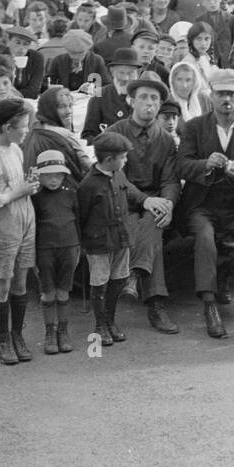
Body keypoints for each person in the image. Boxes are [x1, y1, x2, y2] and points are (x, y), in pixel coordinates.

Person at [175, 68, 234, 339]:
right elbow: (181, 165)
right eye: (220, 94)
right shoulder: (194, 127)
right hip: (204, 204)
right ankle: (210, 304)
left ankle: (225, 275)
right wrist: (205, 164)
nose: (226, 99)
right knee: (204, 240)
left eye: (231, 94)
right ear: (211, 96)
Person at [104, 80, 182, 334]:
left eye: (155, 100)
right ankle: (156, 304)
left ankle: (135, 274)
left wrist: (168, 203)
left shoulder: (166, 139)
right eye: (144, 97)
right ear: (131, 101)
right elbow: (114, 177)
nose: (149, 103)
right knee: (148, 223)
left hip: (154, 202)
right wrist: (145, 200)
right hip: (119, 200)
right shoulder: (114, 133)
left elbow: (171, 180)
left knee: (154, 220)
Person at [0, 98, 41, 365]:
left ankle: (18, 335)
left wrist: (29, 187)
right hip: (4, 225)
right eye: (22, 126)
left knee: (21, 282)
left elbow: (16, 186)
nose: (26, 130)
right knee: (2, 283)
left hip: (26, 220)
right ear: (6, 127)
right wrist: (19, 192)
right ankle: (4, 339)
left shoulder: (15, 150)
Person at [77, 132, 141, 346]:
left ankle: (110, 320)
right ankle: (100, 324)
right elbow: (81, 216)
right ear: (108, 159)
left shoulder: (119, 175)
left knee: (118, 280)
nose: (125, 160)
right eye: (122, 157)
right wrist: (83, 244)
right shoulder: (88, 185)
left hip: (121, 238)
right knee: (100, 283)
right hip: (99, 243)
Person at [31, 150, 79, 355]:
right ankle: (49, 332)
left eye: (58, 175)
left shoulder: (71, 195)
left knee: (63, 291)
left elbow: (78, 222)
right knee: (48, 292)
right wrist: (32, 257)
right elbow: (31, 229)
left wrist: (78, 249)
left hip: (69, 248)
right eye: (48, 175)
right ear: (39, 176)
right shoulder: (35, 199)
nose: (53, 179)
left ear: (64, 175)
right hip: (45, 250)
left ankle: (63, 331)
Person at [23, 85, 92, 182]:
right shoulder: (63, 135)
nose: (69, 111)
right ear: (49, 109)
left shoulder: (34, 128)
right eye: (62, 107)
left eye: (70, 106)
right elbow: (88, 167)